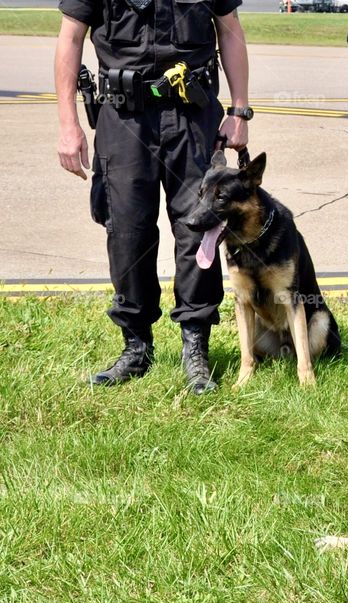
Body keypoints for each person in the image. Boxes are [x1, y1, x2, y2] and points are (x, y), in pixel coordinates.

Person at [55, 0, 252, 393]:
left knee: (199, 230)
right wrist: (68, 123)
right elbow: (70, 38)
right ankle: (136, 347)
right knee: (127, 231)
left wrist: (240, 110)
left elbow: (229, 29)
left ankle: (196, 348)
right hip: (123, 116)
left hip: (193, 117)